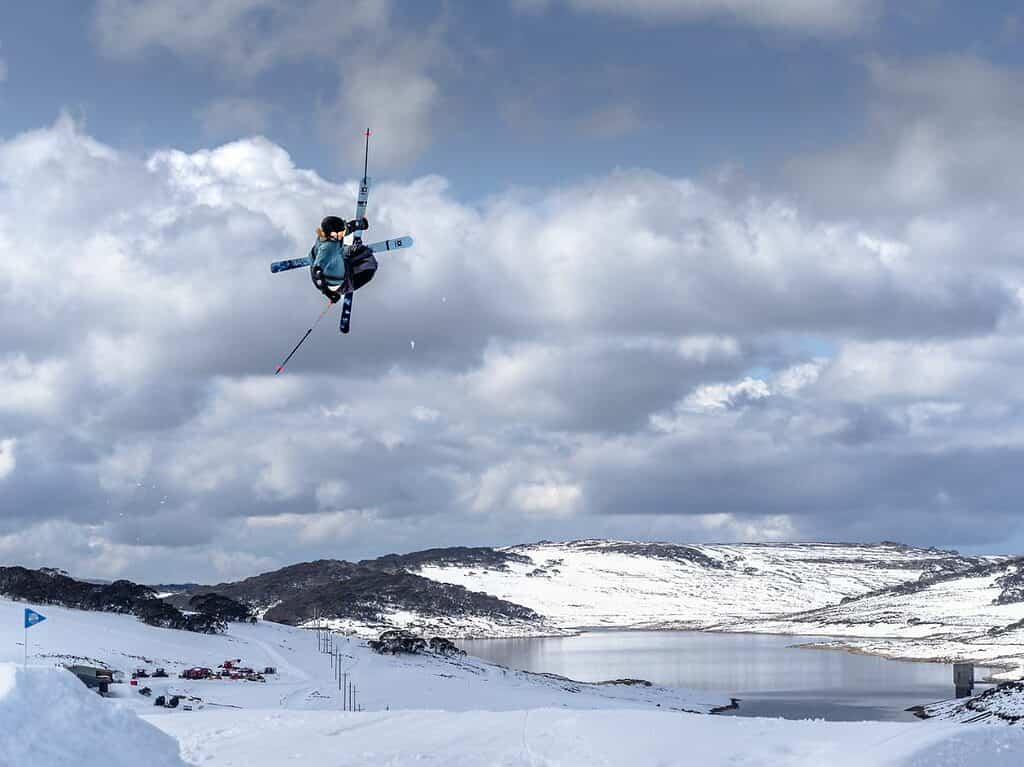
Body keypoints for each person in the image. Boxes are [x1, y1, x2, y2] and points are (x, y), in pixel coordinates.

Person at [310, 215, 376, 303]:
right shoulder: (328, 248)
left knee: (342, 250)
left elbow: (346, 228)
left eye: (341, 232)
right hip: (339, 283)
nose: (341, 235)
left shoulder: (330, 235)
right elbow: (317, 272)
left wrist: (361, 224)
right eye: (339, 233)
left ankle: (350, 252)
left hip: (331, 267)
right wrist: (329, 293)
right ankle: (353, 253)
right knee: (370, 264)